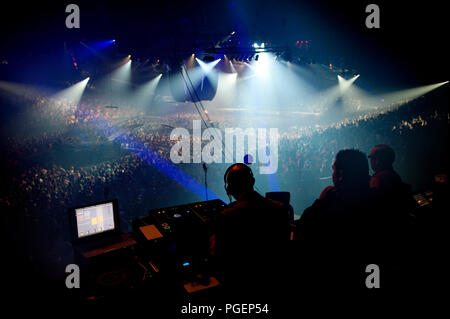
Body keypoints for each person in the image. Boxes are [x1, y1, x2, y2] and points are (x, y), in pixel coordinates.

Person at [294, 149, 380, 292]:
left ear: (340, 174)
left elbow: (302, 232)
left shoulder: (331, 203)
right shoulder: (379, 199)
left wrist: (320, 201)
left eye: (334, 170)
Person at [209, 163, 290, 296]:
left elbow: (217, 256)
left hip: (240, 288)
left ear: (229, 188)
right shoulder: (280, 209)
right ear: (252, 181)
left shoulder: (227, 216)